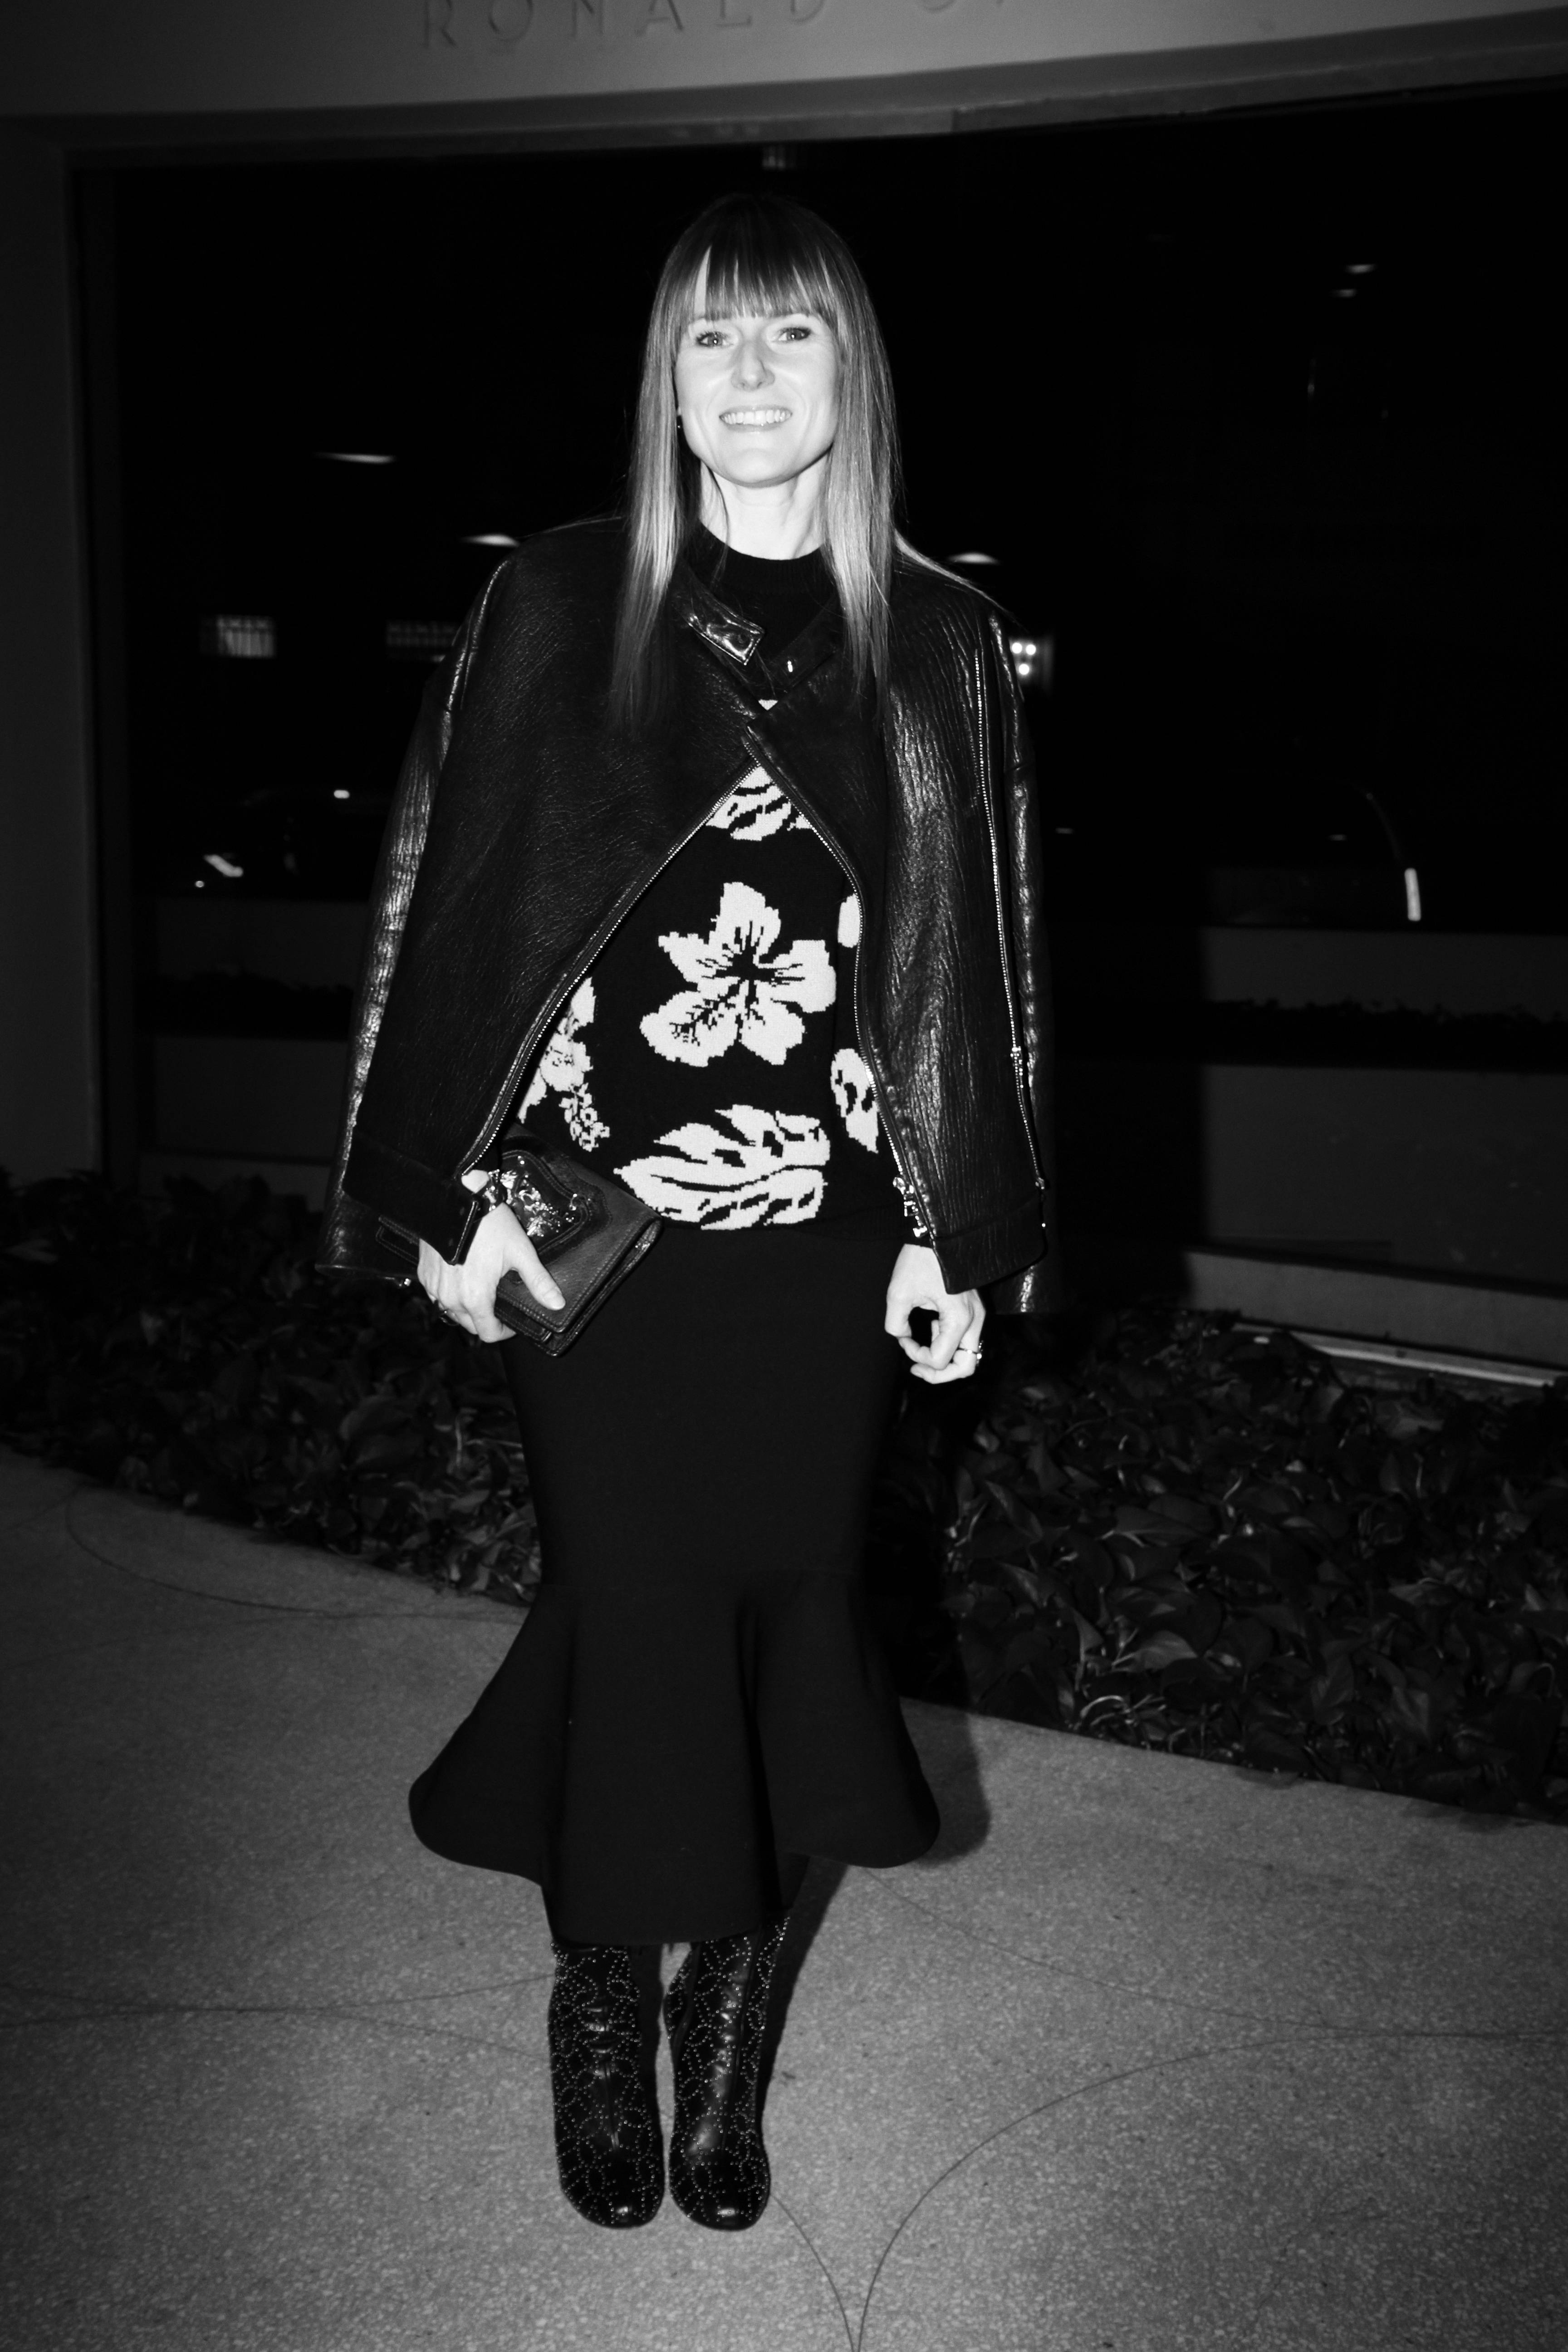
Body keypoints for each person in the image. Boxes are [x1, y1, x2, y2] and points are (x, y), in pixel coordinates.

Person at [319, 191, 1056, 2235]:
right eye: (711, 337)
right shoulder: (561, 601)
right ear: (665, 378)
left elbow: (979, 959)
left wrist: (958, 1229)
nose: (748, 374)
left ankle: (722, 2023)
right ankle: (596, 2001)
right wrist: (439, 1201)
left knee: (785, 1609)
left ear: (850, 372)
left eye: (789, 333)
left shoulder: (937, 636)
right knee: (634, 1601)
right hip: (594, 1224)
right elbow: (449, 907)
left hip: (824, 1237)